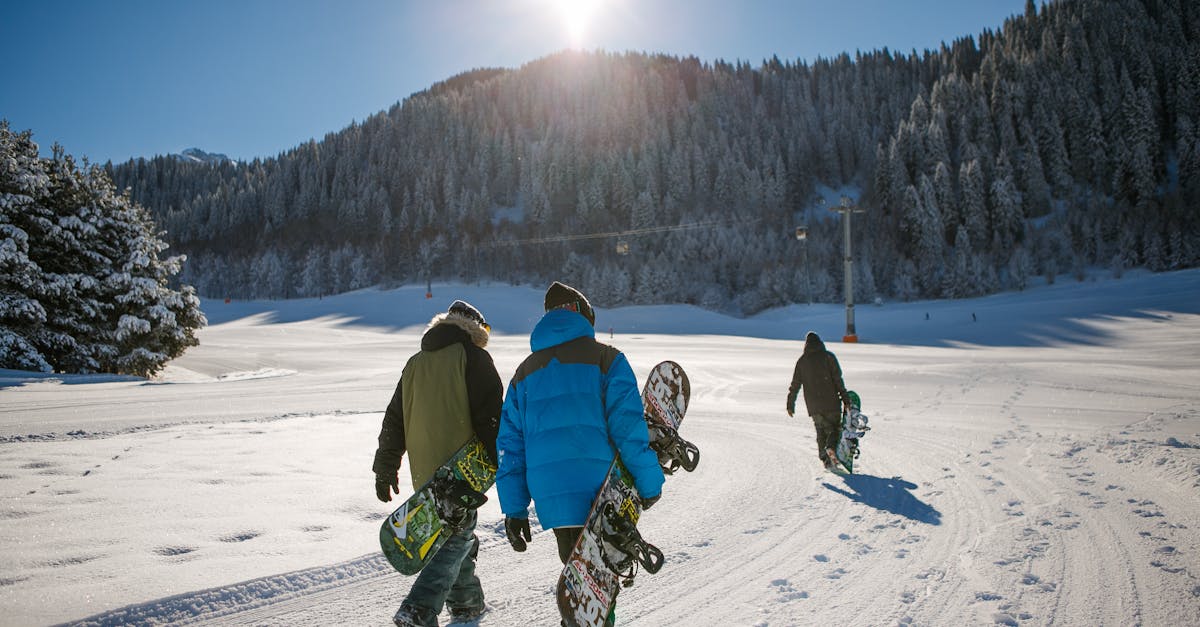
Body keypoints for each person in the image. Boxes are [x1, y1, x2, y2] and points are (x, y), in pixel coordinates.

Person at [495, 281, 664, 626]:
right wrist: (649, 482)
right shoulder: (607, 359)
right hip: (601, 492)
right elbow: (628, 430)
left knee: (586, 592)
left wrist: (514, 509)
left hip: (553, 499)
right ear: (584, 315)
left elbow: (510, 448)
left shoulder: (523, 375)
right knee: (598, 590)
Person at [372, 300, 503, 627]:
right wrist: (503, 463)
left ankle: (467, 604)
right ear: (475, 328)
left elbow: (394, 421)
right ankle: (419, 610)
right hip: (461, 470)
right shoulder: (473, 358)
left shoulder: (415, 363)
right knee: (456, 536)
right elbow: (491, 420)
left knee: (454, 532)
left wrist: (385, 467)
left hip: (424, 471)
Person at [786, 331, 851, 469]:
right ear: (820, 343)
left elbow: (795, 385)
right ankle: (831, 448)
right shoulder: (829, 357)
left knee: (820, 431)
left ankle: (825, 459)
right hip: (831, 402)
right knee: (835, 429)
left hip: (813, 405)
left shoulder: (802, 361)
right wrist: (846, 399)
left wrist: (790, 404)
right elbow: (838, 380)